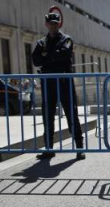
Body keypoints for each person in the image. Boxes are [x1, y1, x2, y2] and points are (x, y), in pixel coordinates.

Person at [32, 12, 84, 160]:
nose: (53, 26)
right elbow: (35, 60)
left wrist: (46, 57)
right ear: (46, 24)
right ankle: (49, 149)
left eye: (55, 23)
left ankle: (80, 148)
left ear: (58, 24)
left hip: (64, 82)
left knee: (71, 115)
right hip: (48, 84)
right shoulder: (42, 42)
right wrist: (52, 55)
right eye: (51, 23)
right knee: (47, 116)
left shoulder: (66, 39)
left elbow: (64, 55)